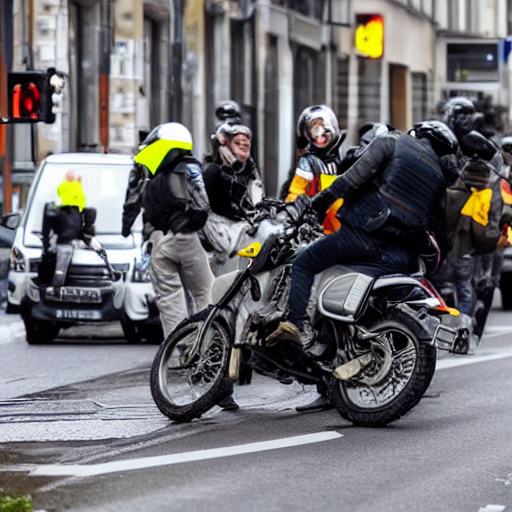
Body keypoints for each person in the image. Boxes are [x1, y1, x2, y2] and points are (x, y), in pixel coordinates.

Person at [268, 120, 459, 354]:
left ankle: (297, 327)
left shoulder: (392, 142)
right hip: (400, 256)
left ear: (418, 133)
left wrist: (315, 207)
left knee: (304, 264)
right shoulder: (439, 179)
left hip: (361, 236)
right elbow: (441, 232)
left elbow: (350, 180)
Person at [39, 172, 99, 286]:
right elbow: (88, 231)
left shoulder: (56, 207)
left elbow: (46, 232)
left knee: (57, 278)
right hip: (67, 244)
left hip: (63, 244)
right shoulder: (83, 209)